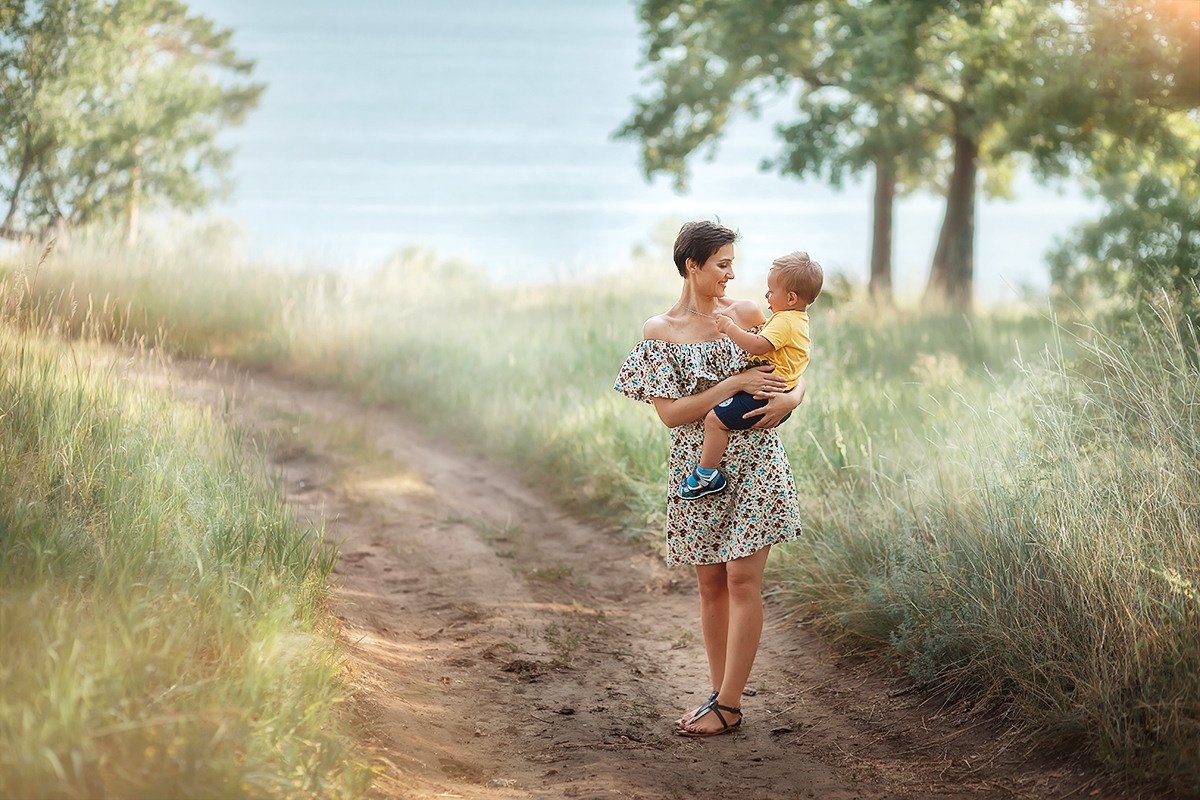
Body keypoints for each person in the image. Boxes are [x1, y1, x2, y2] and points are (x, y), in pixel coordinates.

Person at [613, 221, 806, 737]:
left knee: (743, 580)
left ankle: (729, 703)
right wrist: (734, 383)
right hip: (698, 465)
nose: (731, 273)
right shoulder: (660, 331)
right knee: (710, 585)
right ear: (691, 266)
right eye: (721, 263)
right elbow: (672, 415)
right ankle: (718, 697)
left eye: (732, 263)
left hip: (757, 461)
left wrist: (790, 398)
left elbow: (792, 366)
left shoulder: (745, 314)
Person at [679, 251, 822, 500]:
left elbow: (757, 346)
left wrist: (729, 328)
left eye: (771, 291)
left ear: (790, 297)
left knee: (714, 421)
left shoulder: (784, 321)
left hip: (765, 399)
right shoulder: (797, 319)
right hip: (776, 396)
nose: (766, 296)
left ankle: (706, 476)